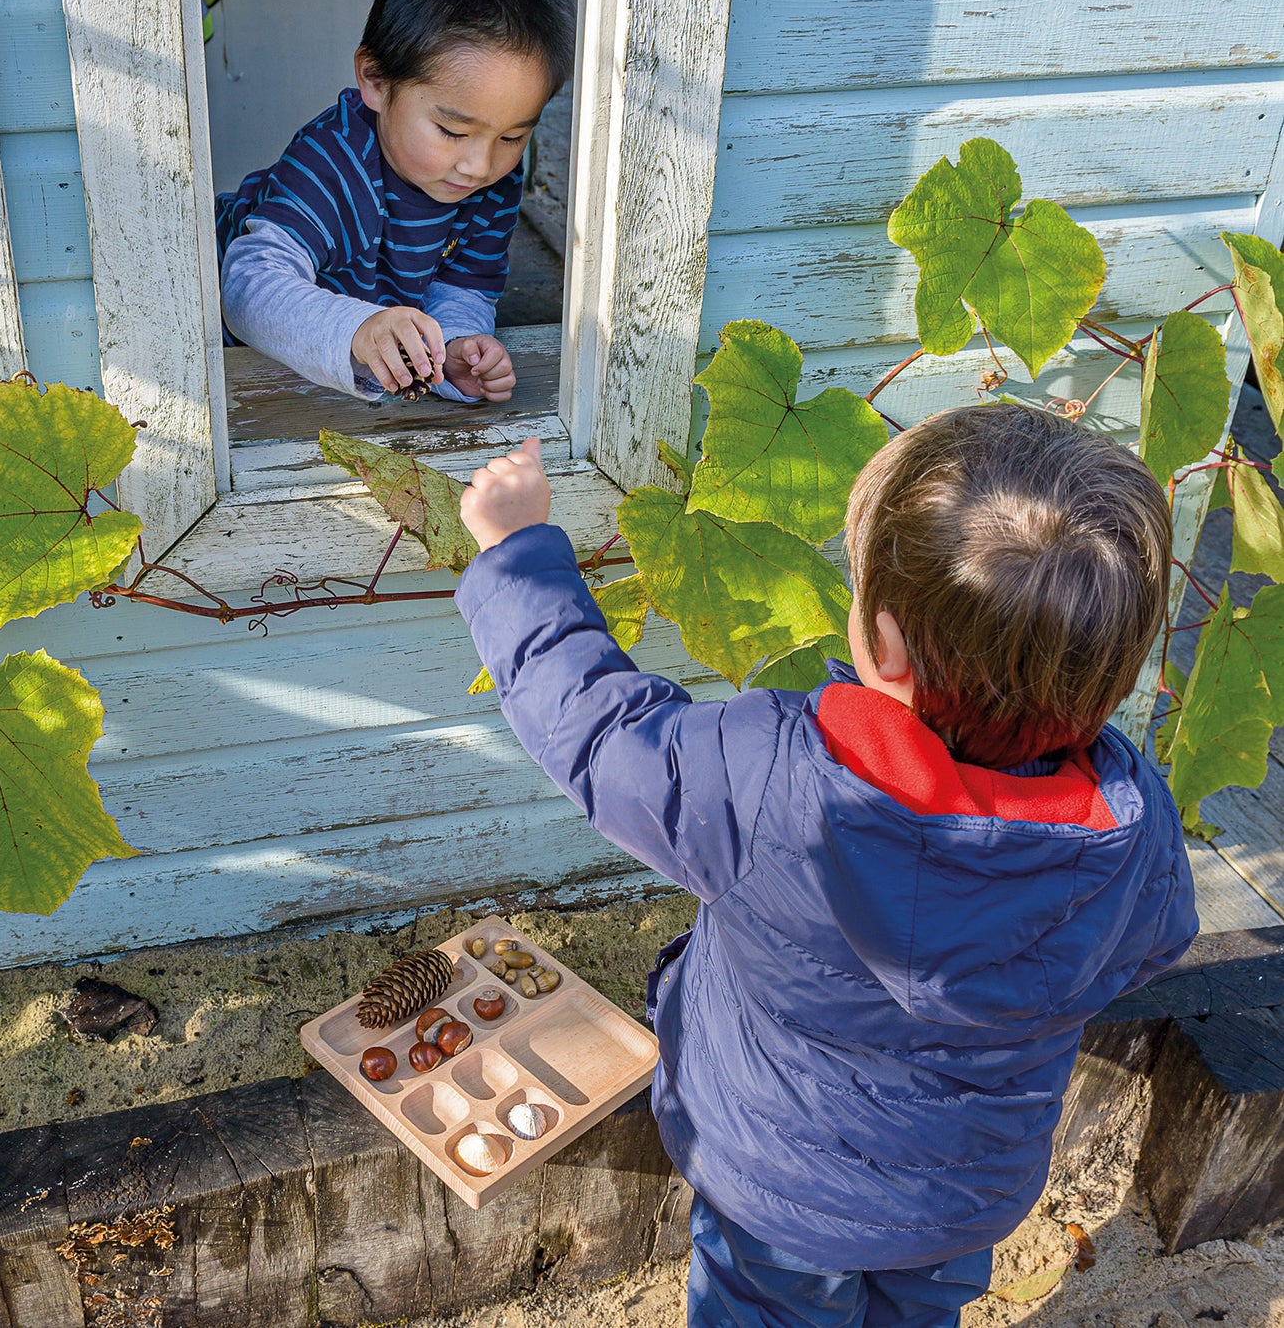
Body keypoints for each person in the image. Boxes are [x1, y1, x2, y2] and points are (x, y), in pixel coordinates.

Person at [454, 405, 1197, 1328]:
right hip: (964, 1193)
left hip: (779, 1189)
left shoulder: (769, 778)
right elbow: (1155, 944)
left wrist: (516, 550)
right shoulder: (1131, 825)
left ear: (880, 642)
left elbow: (603, 734)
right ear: (1111, 676)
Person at [215, 0, 574, 404]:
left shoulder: (495, 177)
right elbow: (247, 288)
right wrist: (358, 328)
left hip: (345, 368)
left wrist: (453, 350)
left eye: (513, 135)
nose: (479, 164)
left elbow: (462, 285)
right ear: (376, 80)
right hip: (232, 347)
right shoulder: (331, 162)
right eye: (452, 131)